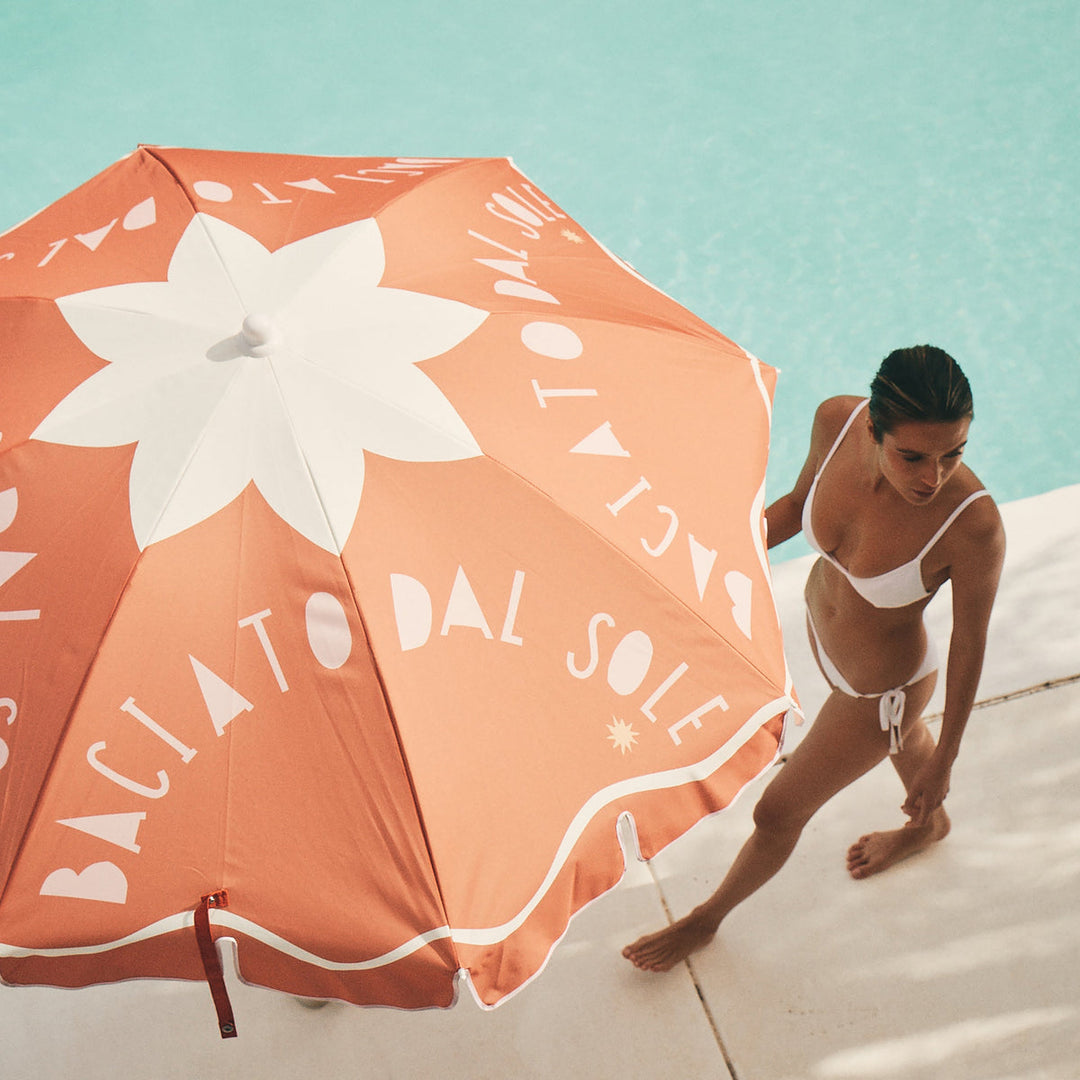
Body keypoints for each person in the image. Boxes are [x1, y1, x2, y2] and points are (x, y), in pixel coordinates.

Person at [623, 345, 1005, 973]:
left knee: (777, 813)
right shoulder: (836, 423)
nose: (932, 477)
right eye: (913, 456)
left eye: (953, 454)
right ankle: (928, 826)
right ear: (874, 429)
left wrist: (946, 760)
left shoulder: (972, 525)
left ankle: (706, 921)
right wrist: (690, 556)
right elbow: (799, 508)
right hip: (829, 645)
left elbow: (970, 645)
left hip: (879, 688)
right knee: (900, 740)